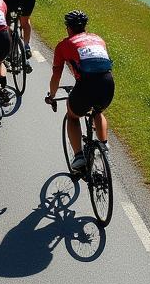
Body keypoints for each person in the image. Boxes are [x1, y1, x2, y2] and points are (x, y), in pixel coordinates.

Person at [45, 10, 114, 173]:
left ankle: (78, 157)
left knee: (73, 116)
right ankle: (104, 147)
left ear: (68, 27)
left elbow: (56, 75)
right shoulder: (99, 39)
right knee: (98, 110)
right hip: (108, 84)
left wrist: (52, 95)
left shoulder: (63, 45)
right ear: (85, 26)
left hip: (86, 87)